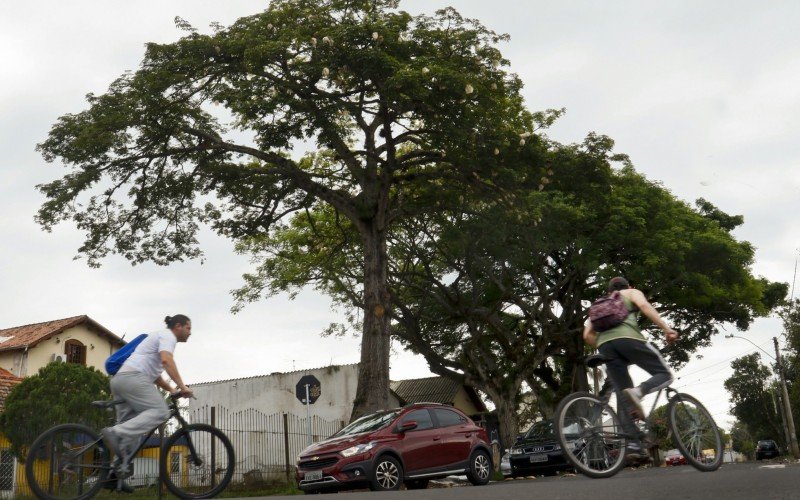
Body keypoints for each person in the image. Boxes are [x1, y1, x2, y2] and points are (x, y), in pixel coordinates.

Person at [583, 277, 678, 452]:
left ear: (609, 290)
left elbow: (587, 335)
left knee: (624, 396)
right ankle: (640, 391)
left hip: (605, 348)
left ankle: (634, 443)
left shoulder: (598, 305)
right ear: (629, 286)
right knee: (665, 374)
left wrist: (609, 345)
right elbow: (644, 306)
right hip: (630, 340)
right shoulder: (631, 293)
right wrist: (666, 329)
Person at [102, 315, 194, 474]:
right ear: (178, 326)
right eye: (188, 328)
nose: (190, 333)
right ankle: (115, 433)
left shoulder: (156, 338)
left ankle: (114, 476)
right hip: (134, 379)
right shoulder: (167, 336)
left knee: (133, 432)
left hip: (121, 380)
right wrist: (182, 386)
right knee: (161, 412)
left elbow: (156, 375)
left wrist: (172, 390)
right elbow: (167, 361)